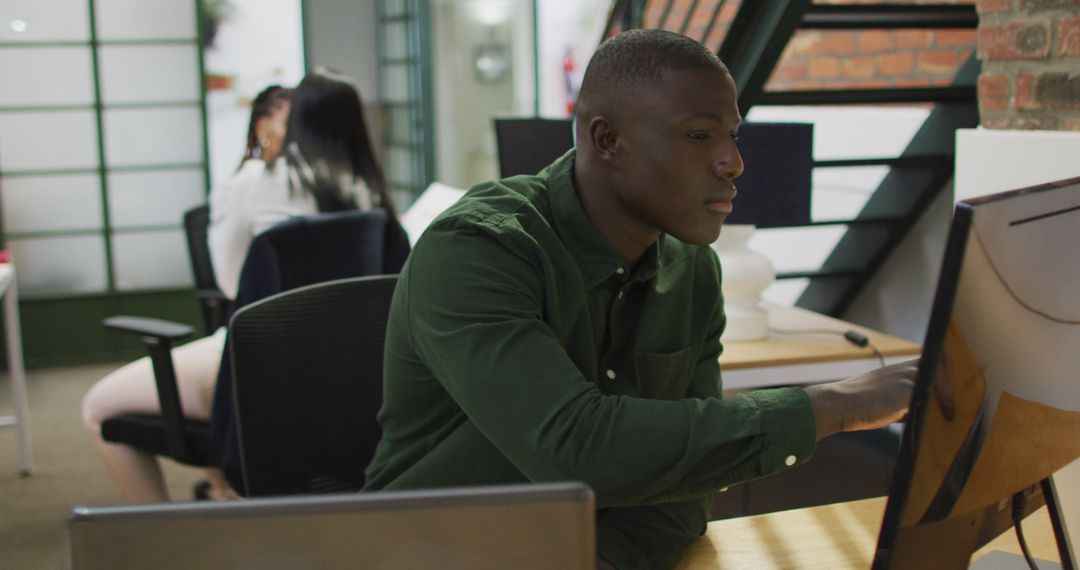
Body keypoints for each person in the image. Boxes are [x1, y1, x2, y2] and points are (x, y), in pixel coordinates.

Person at [362, 29, 915, 570]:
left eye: (733, 135)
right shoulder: (478, 248)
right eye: (701, 135)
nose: (733, 162)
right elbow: (576, 448)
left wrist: (608, 559)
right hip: (430, 551)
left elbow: (685, 481)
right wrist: (836, 407)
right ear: (608, 141)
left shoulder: (693, 268)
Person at [82, 71, 401, 503]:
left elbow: (232, 283)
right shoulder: (370, 192)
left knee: (97, 407)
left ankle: (161, 533)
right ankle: (228, 499)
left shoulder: (257, 179)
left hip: (257, 366)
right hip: (345, 379)